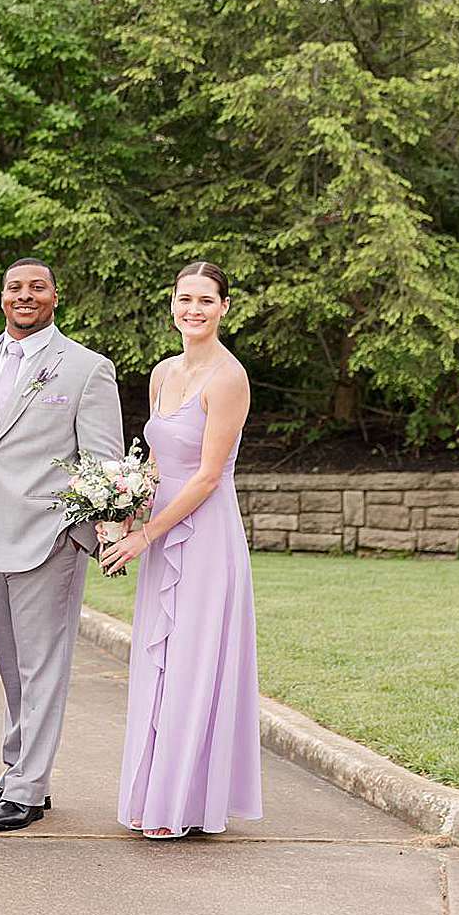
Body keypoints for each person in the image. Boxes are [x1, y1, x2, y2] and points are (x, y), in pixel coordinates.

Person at [0, 258, 123, 832]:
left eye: (37, 288)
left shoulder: (86, 368)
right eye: (14, 288)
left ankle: (28, 786)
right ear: (2, 296)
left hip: (48, 537)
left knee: (43, 665)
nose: (24, 296)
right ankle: (18, 770)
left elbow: (102, 460)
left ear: (56, 296)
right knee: (10, 667)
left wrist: (89, 531)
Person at [99, 262, 263, 839]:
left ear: (225, 308)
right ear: (173, 305)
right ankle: (153, 793)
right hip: (160, 525)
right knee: (159, 659)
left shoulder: (229, 378)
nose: (193, 309)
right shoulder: (163, 373)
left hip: (205, 533)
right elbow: (156, 462)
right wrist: (124, 512)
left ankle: (185, 803)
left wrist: (147, 535)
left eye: (205, 300)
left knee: (194, 661)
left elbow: (207, 476)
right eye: (184, 299)